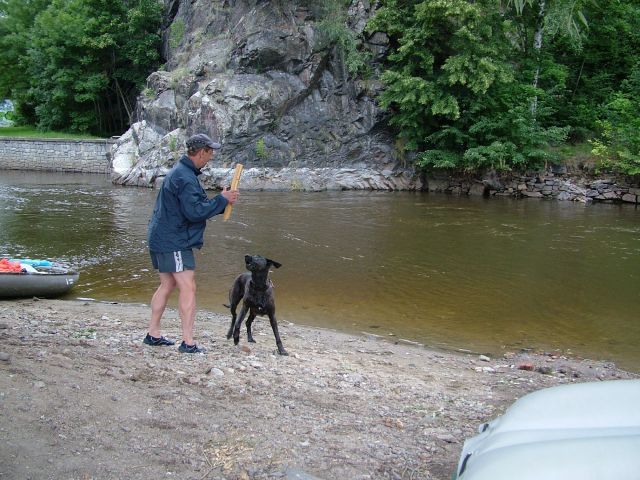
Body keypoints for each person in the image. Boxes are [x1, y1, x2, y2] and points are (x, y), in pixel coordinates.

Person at [144, 133, 239, 353]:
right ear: (201, 152)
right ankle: (188, 343)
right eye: (210, 151)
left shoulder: (181, 172)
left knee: (167, 285)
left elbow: (194, 206)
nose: (211, 156)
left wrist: (221, 201)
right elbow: (194, 212)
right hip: (173, 240)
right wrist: (222, 200)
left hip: (161, 236)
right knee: (188, 286)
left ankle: (153, 333)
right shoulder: (185, 177)